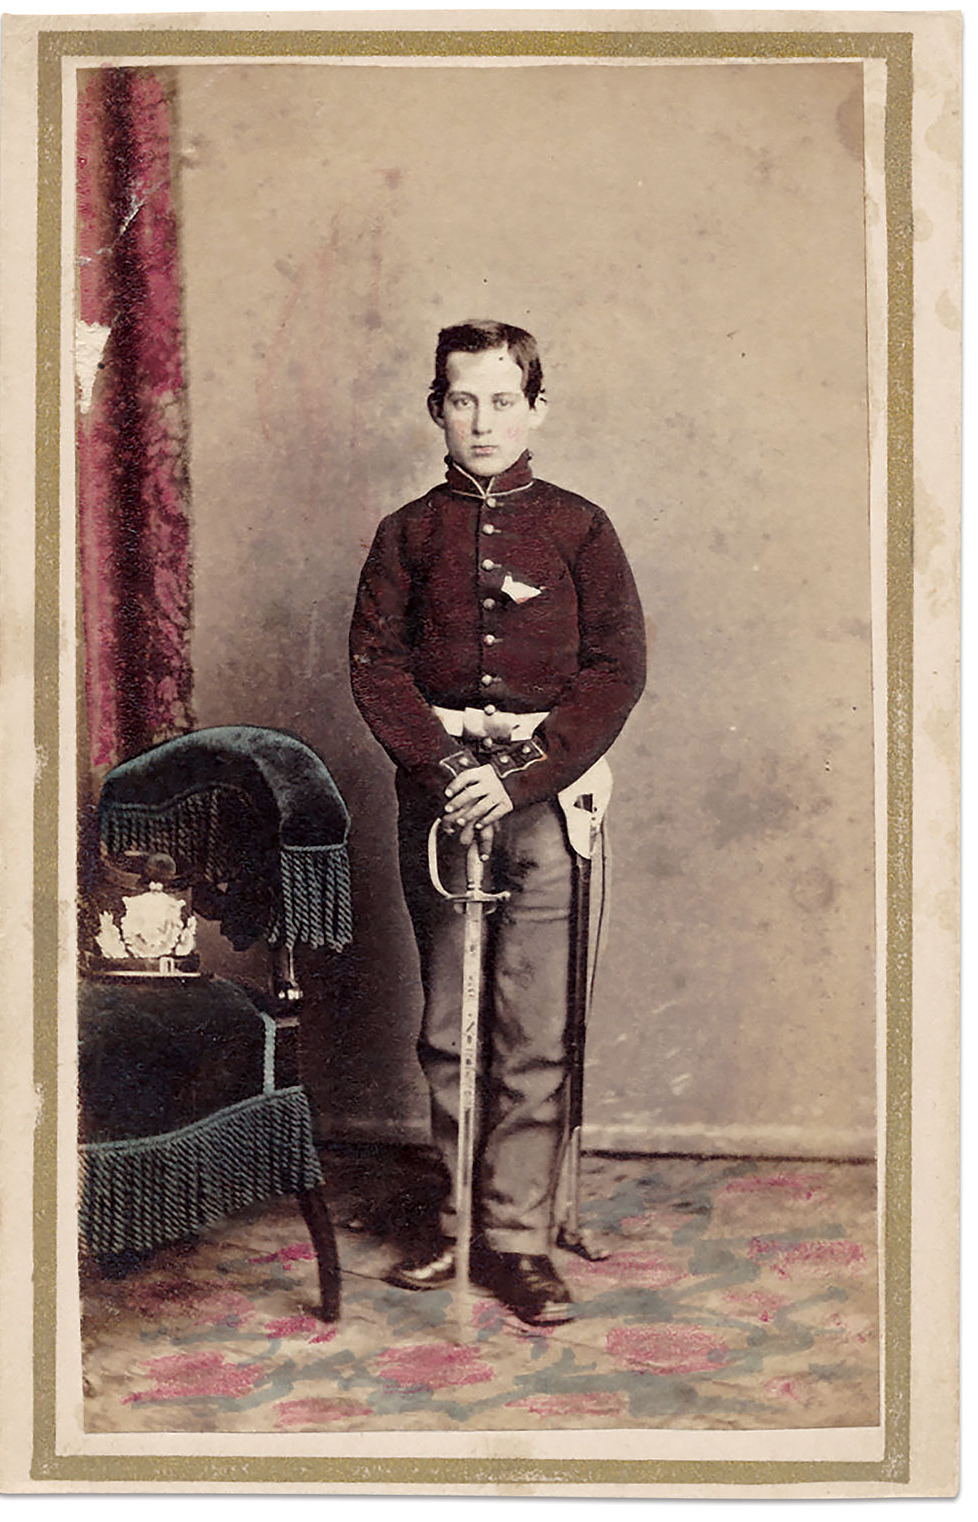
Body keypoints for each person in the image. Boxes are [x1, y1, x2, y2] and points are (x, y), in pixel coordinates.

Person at [349, 319, 646, 1325]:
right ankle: (458, 1221)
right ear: (436, 407)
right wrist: (440, 769)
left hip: (548, 806)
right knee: (449, 1027)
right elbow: (377, 668)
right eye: (462, 399)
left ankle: (517, 1243)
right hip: (439, 807)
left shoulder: (579, 528)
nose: (483, 421)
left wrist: (519, 777)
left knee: (531, 1028)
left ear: (536, 409)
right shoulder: (405, 534)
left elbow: (616, 671)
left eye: (503, 401)